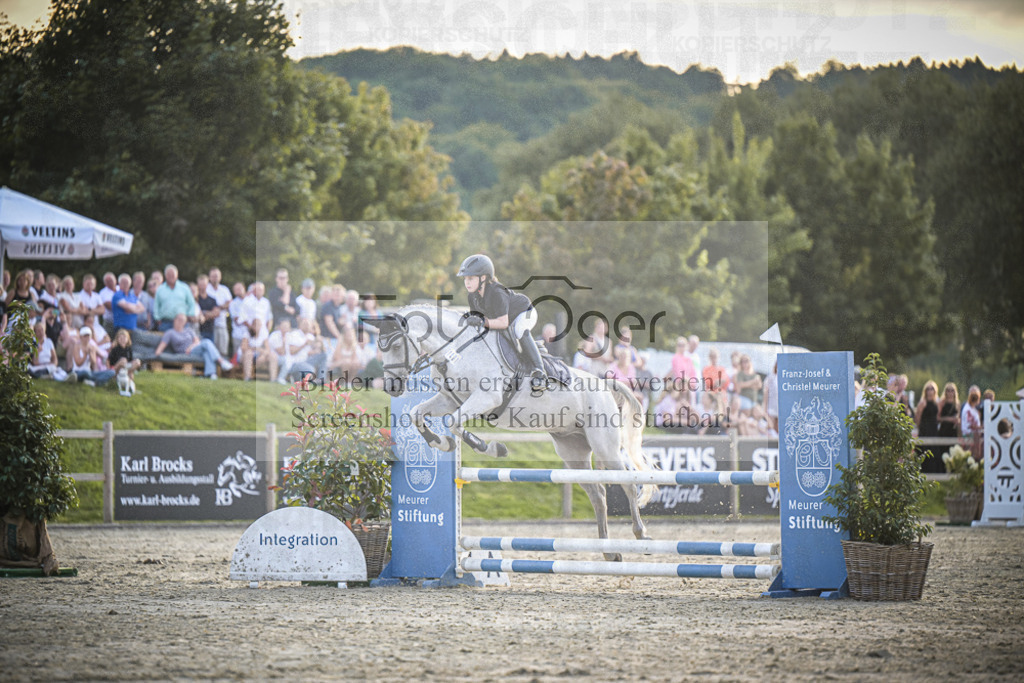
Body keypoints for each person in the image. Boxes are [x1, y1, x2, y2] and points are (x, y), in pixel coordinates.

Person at [458, 253, 546, 391]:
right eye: (465, 279)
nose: (466, 282)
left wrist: (482, 321)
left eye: (470, 278)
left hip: (524, 312)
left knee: (519, 330)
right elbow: (480, 324)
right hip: (506, 319)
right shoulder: (473, 297)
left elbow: (503, 323)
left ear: (483, 278)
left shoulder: (497, 292)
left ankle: (540, 372)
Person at [154, 313, 233, 380]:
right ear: (174, 320)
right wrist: (157, 354)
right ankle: (221, 362)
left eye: (183, 320)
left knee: (206, 347)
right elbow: (161, 346)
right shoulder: (170, 333)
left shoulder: (189, 330)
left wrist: (191, 347)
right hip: (185, 353)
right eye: (179, 319)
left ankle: (211, 374)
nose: (180, 322)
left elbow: (197, 341)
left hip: (193, 349)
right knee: (207, 342)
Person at [153, 265, 196, 331]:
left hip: (182, 323)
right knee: (165, 341)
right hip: (165, 323)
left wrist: (189, 315)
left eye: (173, 274)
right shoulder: (160, 289)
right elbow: (156, 305)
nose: (171, 276)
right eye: (169, 274)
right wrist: (157, 318)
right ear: (165, 276)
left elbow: (192, 303)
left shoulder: (184, 288)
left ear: (177, 275)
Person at [915, 380, 942, 473]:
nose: (930, 391)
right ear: (925, 391)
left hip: (934, 431)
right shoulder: (923, 403)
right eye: (928, 389)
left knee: (934, 453)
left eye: (932, 388)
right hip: (925, 431)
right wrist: (921, 429)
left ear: (935, 391)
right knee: (924, 453)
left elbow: (938, 417)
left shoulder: (936, 403)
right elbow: (917, 418)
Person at [108, 328, 142, 396]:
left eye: (124, 337)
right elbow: (109, 361)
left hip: (125, 369)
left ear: (128, 339)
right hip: (116, 369)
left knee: (137, 361)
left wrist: (132, 366)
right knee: (123, 360)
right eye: (120, 337)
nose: (122, 339)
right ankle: (117, 378)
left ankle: (128, 376)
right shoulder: (115, 349)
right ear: (117, 339)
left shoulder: (128, 349)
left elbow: (130, 361)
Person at [208, 267, 233, 357]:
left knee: (223, 350)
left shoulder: (224, 290)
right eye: (213, 276)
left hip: (222, 324)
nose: (215, 278)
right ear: (209, 277)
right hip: (209, 325)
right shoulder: (206, 289)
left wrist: (219, 307)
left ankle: (222, 370)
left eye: (216, 276)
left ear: (220, 277)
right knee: (211, 351)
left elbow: (230, 303)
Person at [961, 385, 982, 459]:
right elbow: (969, 426)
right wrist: (982, 427)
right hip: (969, 437)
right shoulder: (967, 409)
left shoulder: (974, 409)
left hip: (976, 437)